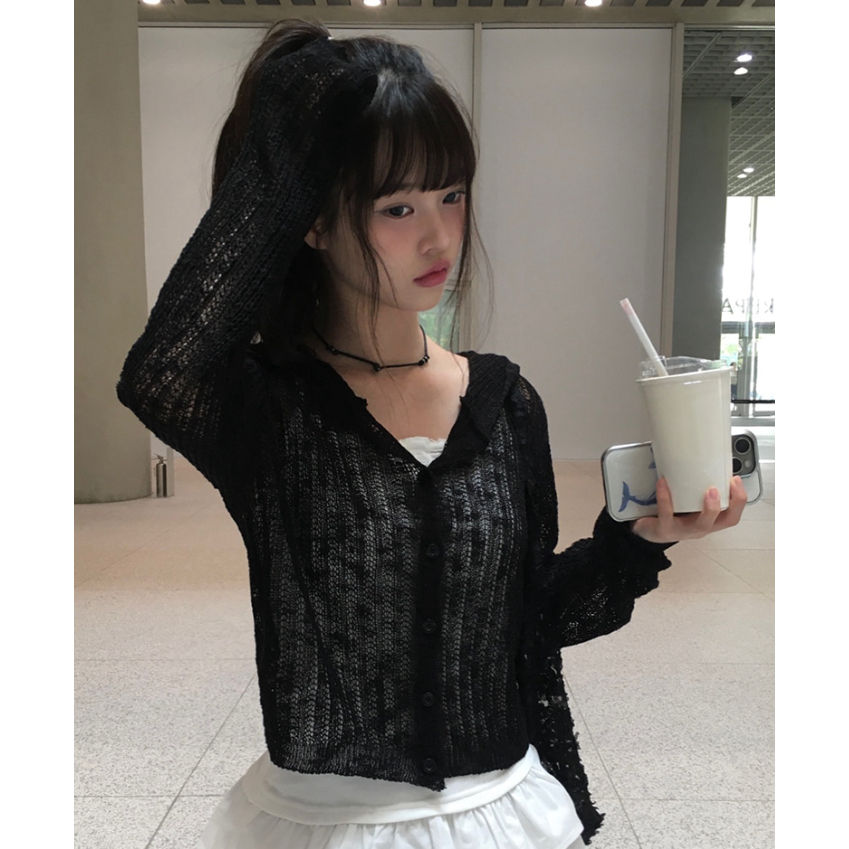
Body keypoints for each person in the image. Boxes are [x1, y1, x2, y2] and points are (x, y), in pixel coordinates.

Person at [117, 20, 747, 849]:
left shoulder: (504, 403)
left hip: (498, 809)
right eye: (397, 207)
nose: (439, 236)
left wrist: (640, 538)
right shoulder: (269, 408)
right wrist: (293, 127)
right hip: (325, 819)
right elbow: (159, 369)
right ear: (309, 218)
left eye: (452, 194)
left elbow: (531, 620)